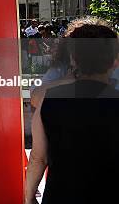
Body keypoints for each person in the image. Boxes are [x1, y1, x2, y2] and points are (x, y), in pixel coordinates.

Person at [25, 17, 119, 204]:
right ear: (114, 61)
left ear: (74, 59)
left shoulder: (50, 100)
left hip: (61, 193)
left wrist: (29, 197)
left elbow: (37, 157)